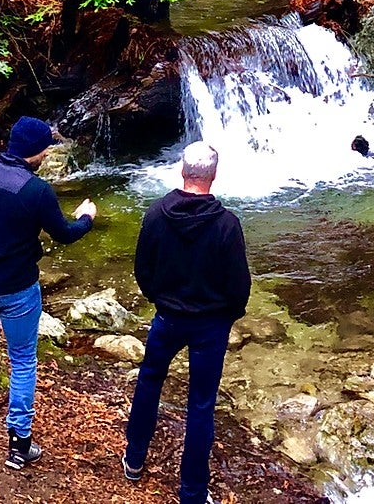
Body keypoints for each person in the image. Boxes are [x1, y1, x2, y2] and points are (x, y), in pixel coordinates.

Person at [0, 115, 96, 471]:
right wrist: (86, 217)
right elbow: (65, 234)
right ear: (37, 151)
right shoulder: (36, 190)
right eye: (45, 148)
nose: (46, 154)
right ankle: (19, 444)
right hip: (18, 290)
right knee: (23, 359)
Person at [123, 142, 251, 504]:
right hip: (210, 324)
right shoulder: (227, 224)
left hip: (167, 317)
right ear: (213, 175)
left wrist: (159, 299)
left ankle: (134, 459)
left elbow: (142, 269)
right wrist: (229, 314)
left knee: (149, 382)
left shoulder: (156, 214)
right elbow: (239, 284)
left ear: (183, 170)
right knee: (200, 404)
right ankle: (192, 493)